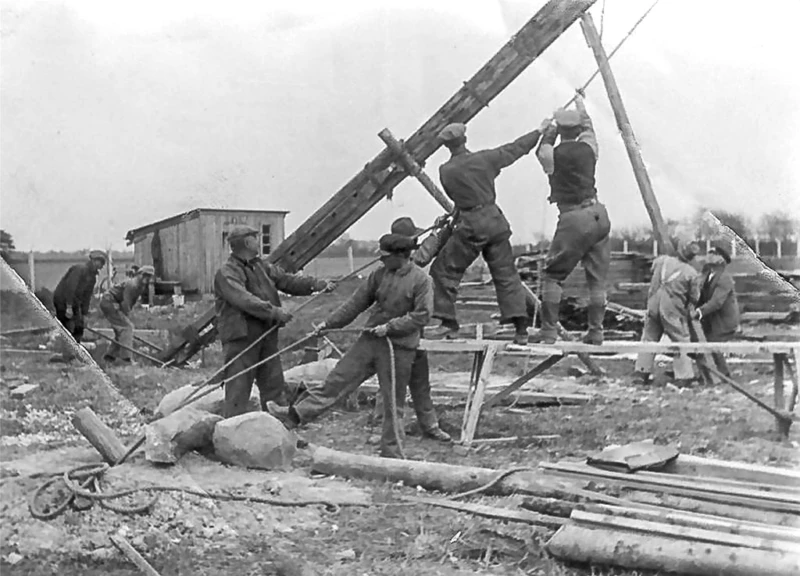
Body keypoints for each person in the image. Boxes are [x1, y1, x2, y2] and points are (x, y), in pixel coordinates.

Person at [269, 232, 433, 458]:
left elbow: (422, 315)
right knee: (335, 382)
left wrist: (392, 326)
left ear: (400, 255)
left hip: (399, 347)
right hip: (371, 341)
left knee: (392, 402)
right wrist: (329, 324)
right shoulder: (379, 274)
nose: (381, 260)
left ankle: (392, 454)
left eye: (384, 256)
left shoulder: (421, 280)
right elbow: (354, 304)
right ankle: (293, 416)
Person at [429, 119, 551, 345]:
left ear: (447, 146)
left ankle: (448, 323)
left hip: (471, 225)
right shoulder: (485, 159)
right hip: (495, 221)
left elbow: (458, 196)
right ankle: (521, 330)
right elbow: (515, 149)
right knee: (506, 275)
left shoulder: (446, 170)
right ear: (464, 140)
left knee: (443, 270)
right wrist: (539, 130)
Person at [214, 225, 335, 418]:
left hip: (266, 334)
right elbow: (244, 299)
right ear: (246, 242)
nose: (258, 241)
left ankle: (279, 430)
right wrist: (275, 312)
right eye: (255, 237)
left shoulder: (260, 266)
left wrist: (315, 284)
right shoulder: (227, 272)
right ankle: (230, 433)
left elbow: (286, 280)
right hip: (242, 337)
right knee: (239, 387)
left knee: (274, 385)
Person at [534, 91, 611, 345]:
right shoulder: (589, 147)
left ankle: (548, 332)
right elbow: (589, 125)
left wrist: (551, 126)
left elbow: (541, 147)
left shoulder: (551, 155)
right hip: (599, 213)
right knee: (597, 280)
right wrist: (580, 103)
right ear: (578, 129)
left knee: (553, 275)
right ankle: (596, 332)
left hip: (574, 217)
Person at [633, 240, 701, 386]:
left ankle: (641, 372)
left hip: (652, 306)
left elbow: (652, 269)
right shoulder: (691, 273)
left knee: (649, 339)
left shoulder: (661, 261)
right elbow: (694, 297)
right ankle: (684, 377)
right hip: (672, 310)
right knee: (681, 340)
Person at [693, 245, 740, 376]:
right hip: (711, 319)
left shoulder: (724, 278)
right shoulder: (707, 275)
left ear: (721, 260)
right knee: (703, 342)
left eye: (714, 253)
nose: (709, 255)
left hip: (723, 322)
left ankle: (724, 375)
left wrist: (699, 312)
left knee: (712, 344)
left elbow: (717, 302)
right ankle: (710, 373)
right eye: (709, 252)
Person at [100, 265, 155, 364]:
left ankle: (109, 357)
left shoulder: (140, 286)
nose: (146, 278)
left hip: (113, 302)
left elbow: (131, 303)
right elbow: (126, 303)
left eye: (149, 276)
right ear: (139, 275)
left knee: (121, 330)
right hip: (109, 302)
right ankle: (126, 359)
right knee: (127, 327)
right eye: (145, 275)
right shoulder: (132, 285)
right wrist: (125, 314)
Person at [53, 250, 107, 344]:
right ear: (94, 261)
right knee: (68, 326)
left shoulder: (93, 277)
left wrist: (84, 314)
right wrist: (68, 307)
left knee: (79, 326)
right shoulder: (80, 270)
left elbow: (87, 297)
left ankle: (75, 351)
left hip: (75, 302)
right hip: (63, 300)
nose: (102, 266)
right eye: (101, 262)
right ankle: (67, 353)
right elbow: (70, 288)